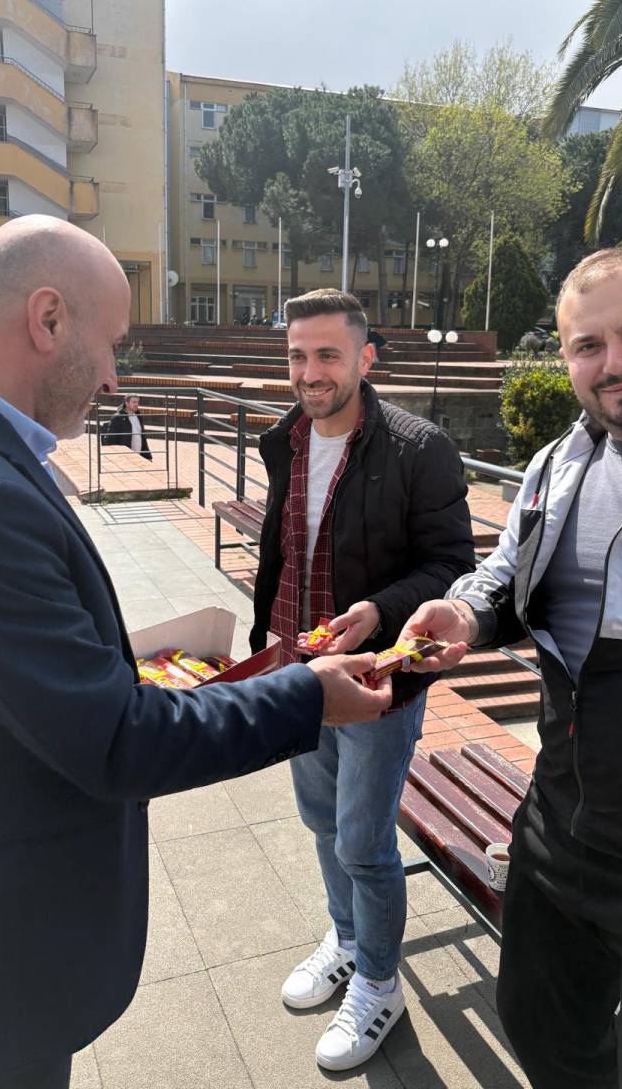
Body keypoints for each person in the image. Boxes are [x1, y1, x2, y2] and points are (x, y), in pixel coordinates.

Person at [0, 217, 394, 1089]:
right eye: (110, 343)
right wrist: (307, 696)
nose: (114, 377)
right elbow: (115, 742)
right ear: (48, 319)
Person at [398, 247, 622, 1089]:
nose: (615, 362)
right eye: (587, 345)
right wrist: (467, 613)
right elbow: (507, 572)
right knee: (541, 1033)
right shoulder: (561, 460)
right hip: (556, 833)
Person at [250, 288, 475, 1071]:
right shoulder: (285, 438)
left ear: (365, 358)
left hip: (378, 682)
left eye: (328, 355)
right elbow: (285, 551)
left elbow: (452, 566)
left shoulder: (418, 447)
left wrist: (380, 610)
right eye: (297, 355)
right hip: (297, 671)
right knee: (321, 821)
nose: (310, 372)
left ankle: (380, 982)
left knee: (364, 841)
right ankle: (347, 939)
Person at [102, 393, 152, 460]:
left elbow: (142, 437)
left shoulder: (138, 416)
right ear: (127, 403)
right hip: (124, 457)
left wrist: (148, 456)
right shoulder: (118, 417)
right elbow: (111, 439)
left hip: (139, 456)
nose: (136, 404)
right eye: (134, 402)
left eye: (137, 402)